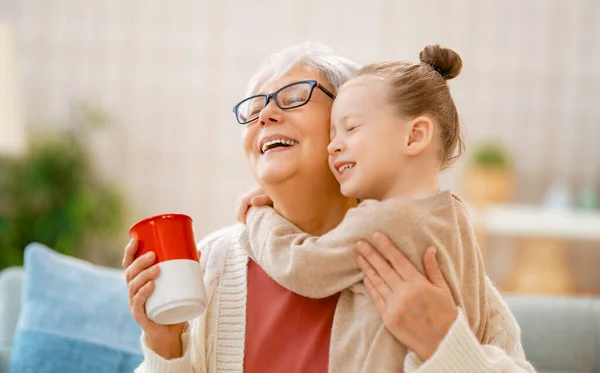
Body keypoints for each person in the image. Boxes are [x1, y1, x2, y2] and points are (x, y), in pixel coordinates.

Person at [123, 42, 536, 372]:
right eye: (254, 109)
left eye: (293, 97)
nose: (265, 114)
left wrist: (446, 346)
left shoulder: (426, 260)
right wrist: (165, 345)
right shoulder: (213, 263)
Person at [241, 45, 488, 372]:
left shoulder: (379, 220)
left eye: (351, 128)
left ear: (414, 136)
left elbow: (301, 265)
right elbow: (479, 320)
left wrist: (257, 219)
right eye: (254, 108)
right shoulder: (455, 217)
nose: (334, 145)